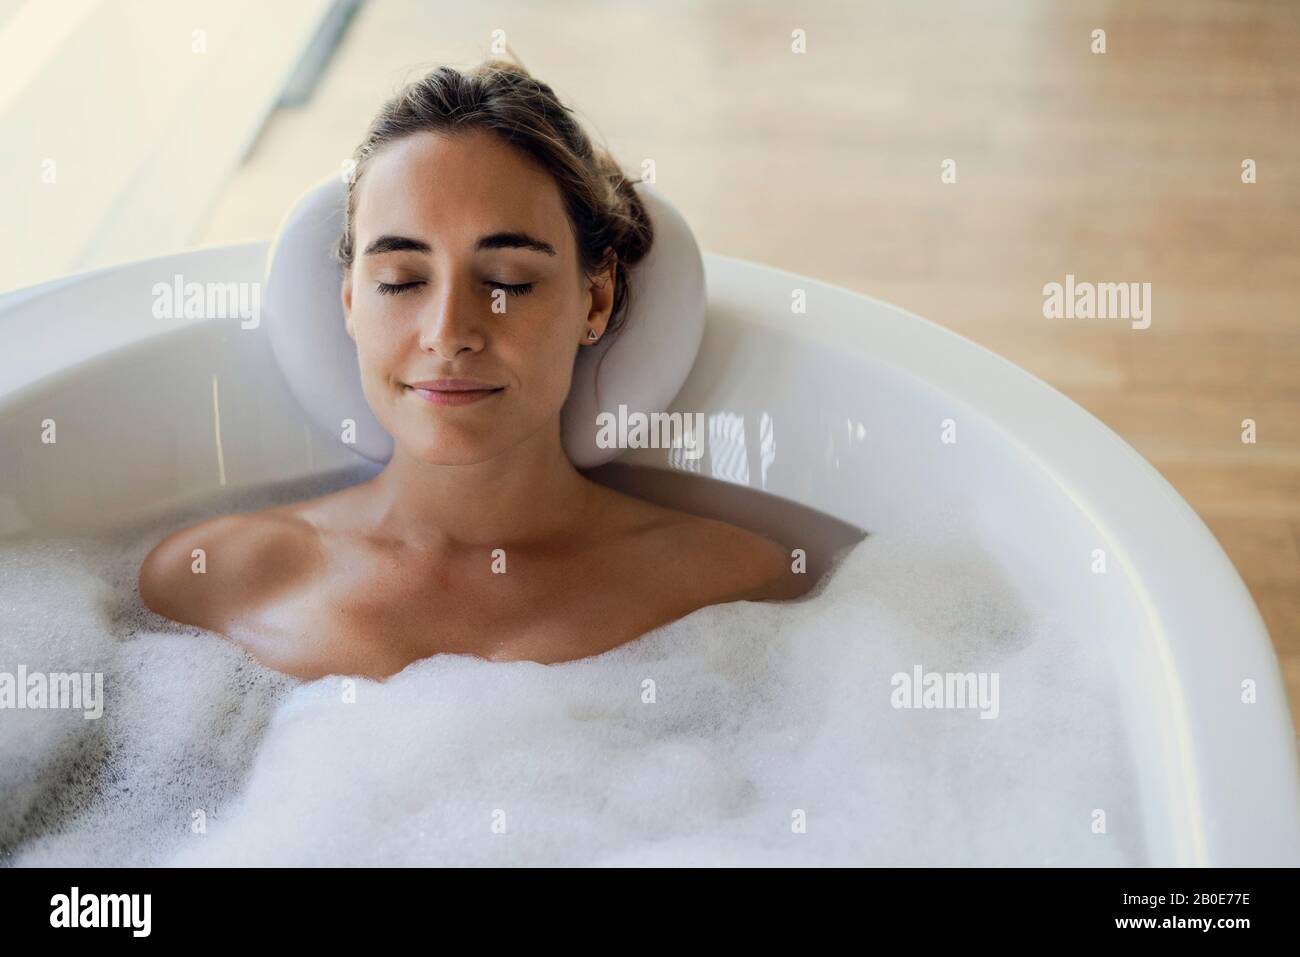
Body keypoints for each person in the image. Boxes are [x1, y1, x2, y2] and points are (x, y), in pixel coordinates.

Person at [139, 59, 811, 681]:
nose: (449, 334)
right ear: (350, 301)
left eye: (508, 281)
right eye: (402, 280)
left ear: (595, 299)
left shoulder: (730, 591)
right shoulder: (212, 582)